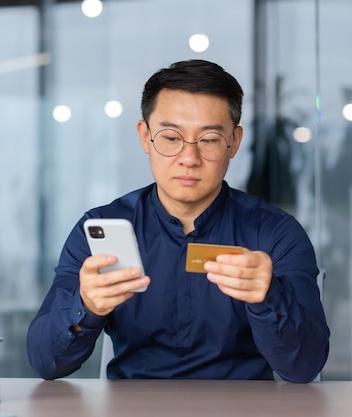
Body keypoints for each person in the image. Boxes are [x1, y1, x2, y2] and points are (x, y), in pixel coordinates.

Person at [26, 59, 329, 383]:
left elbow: (304, 367)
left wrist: (267, 295)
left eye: (209, 140)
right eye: (171, 138)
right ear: (145, 136)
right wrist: (85, 305)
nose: (189, 158)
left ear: (234, 142)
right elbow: (46, 362)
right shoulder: (100, 228)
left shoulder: (274, 234)